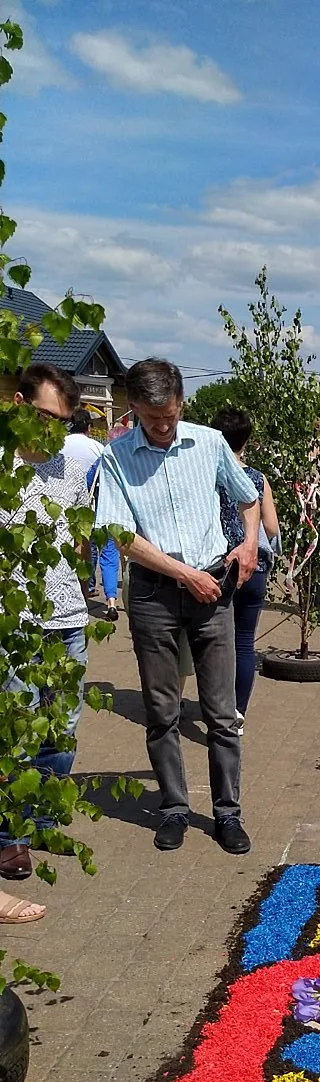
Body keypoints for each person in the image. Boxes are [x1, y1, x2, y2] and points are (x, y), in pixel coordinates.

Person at [95, 358, 260, 855]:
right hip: (155, 594)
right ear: (134, 410)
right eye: (151, 418)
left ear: (181, 402)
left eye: (168, 416)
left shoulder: (209, 444)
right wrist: (184, 574)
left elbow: (248, 497)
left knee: (221, 711)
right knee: (163, 709)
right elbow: (121, 535)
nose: (162, 427)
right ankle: (173, 807)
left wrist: (249, 544)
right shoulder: (117, 456)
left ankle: (227, 813)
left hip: (213, 589)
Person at [0, 363, 91, 921]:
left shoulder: (73, 462)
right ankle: (8, 837)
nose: (55, 430)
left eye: (64, 421)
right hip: (12, 623)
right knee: (15, 733)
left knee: (62, 729)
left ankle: (40, 825)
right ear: (17, 403)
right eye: (45, 417)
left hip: (67, 619)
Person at [210, 407, 280, 736]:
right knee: (244, 641)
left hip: (217, 565)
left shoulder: (208, 475)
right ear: (247, 439)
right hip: (254, 564)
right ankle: (237, 711)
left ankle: (217, 706)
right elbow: (271, 525)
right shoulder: (257, 477)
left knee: (213, 641)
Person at [64, 409, 118, 620]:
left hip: (71, 510)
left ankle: (80, 597)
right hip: (102, 508)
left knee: (79, 553)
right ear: (89, 427)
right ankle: (110, 600)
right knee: (107, 554)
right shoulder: (98, 449)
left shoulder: (61, 446)